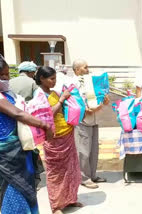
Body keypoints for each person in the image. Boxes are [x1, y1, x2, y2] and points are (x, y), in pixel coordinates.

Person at [0, 58, 53, 214]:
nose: (6, 79)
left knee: (26, 190)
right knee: (12, 190)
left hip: (21, 151)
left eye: (7, 74)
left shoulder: (8, 94)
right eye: (2, 75)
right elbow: (17, 114)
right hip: (6, 156)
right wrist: (44, 125)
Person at [35, 66, 82, 214]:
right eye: (51, 78)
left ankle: (69, 199)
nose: (54, 81)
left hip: (66, 134)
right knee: (56, 173)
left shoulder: (52, 92)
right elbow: (48, 114)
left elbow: (62, 111)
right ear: (42, 79)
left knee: (70, 169)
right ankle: (56, 206)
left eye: (55, 78)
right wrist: (61, 99)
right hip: (54, 138)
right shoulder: (39, 95)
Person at [73, 59, 109, 189]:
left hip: (94, 120)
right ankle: (84, 178)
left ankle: (92, 175)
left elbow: (100, 98)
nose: (87, 69)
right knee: (83, 151)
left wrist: (104, 101)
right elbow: (73, 102)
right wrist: (85, 110)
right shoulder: (74, 83)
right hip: (83, 121)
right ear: (77, 70)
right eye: (85, 67)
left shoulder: (91, 81)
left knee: (94, 150)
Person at [9, 61, 44, 190]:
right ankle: (32, 179)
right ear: (30, 72)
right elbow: (39, 102)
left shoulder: (10, 82)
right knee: (30, 148)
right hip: (27, 121)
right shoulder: (32, 83)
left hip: (11, 121)